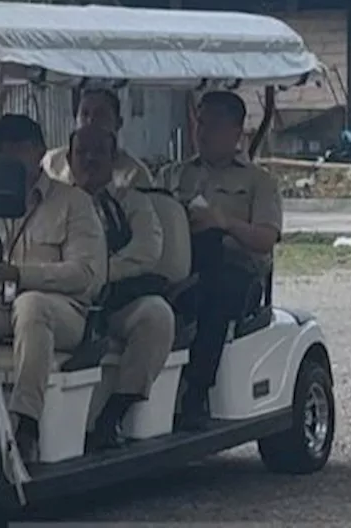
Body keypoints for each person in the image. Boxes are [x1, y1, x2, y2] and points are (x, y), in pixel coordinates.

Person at [156, 90, 283, 430]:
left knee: (211, 297)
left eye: (214, 124)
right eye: (201, 122)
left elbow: (266, 239)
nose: (203, 131)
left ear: (236, 130)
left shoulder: (259, 182)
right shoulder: (173, 175)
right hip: (182, 264)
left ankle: (196, 392)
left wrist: (224, 222)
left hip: (239, 273)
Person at [0, 114, 106, 460]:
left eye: (17, 152)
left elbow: (85, 274)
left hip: (63, 312)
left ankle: (25, 422)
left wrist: (19, 274)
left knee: (31, 305)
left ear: (38, 152)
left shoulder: (73, 203)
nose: (9, 161)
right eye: (1, 154)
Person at [66, 124, 175, 451]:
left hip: (113, 301)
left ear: (114, 159)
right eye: (81, 153)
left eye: (98, 152)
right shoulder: (55, 201)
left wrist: (96, 273)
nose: (89, 159)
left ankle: (114, 413)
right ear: (69, 159)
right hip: (64, 299)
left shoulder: (132, 203)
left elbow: (145, 252)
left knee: (156, 315)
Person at [42, 88, 153, 188]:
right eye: (84, 114)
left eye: (100, 114)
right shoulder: (51, 163)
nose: (90, 121)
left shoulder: (135, 174)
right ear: (75, 119)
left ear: (118, 123)